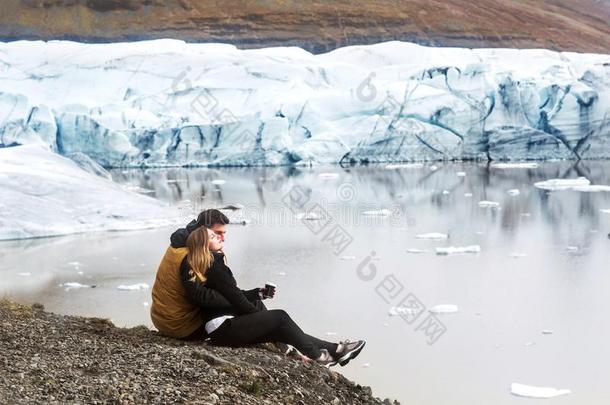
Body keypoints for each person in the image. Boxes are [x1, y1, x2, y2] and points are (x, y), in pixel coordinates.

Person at [180, 225, 366, 367]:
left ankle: (336, 350)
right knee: (280, 317)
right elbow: (235, 298)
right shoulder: (215, 266)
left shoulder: (211, 264)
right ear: (205, 245)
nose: (220, 237)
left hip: (222, 329)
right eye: (214, 236)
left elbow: (231, 295)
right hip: (223, 329)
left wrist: (257, 294)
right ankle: (319, 356)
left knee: (278, 325)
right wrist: (257, 316)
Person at [150, 209, 233, 339]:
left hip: (161, 319)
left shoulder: (181, 242)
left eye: (223, 234)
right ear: (203, 231)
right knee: (240, 304)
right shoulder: (192, 255)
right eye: (217, 234)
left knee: (239, 298)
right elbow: (201, 297)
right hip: (181, 326)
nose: (222, 239)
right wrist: (236, 299)